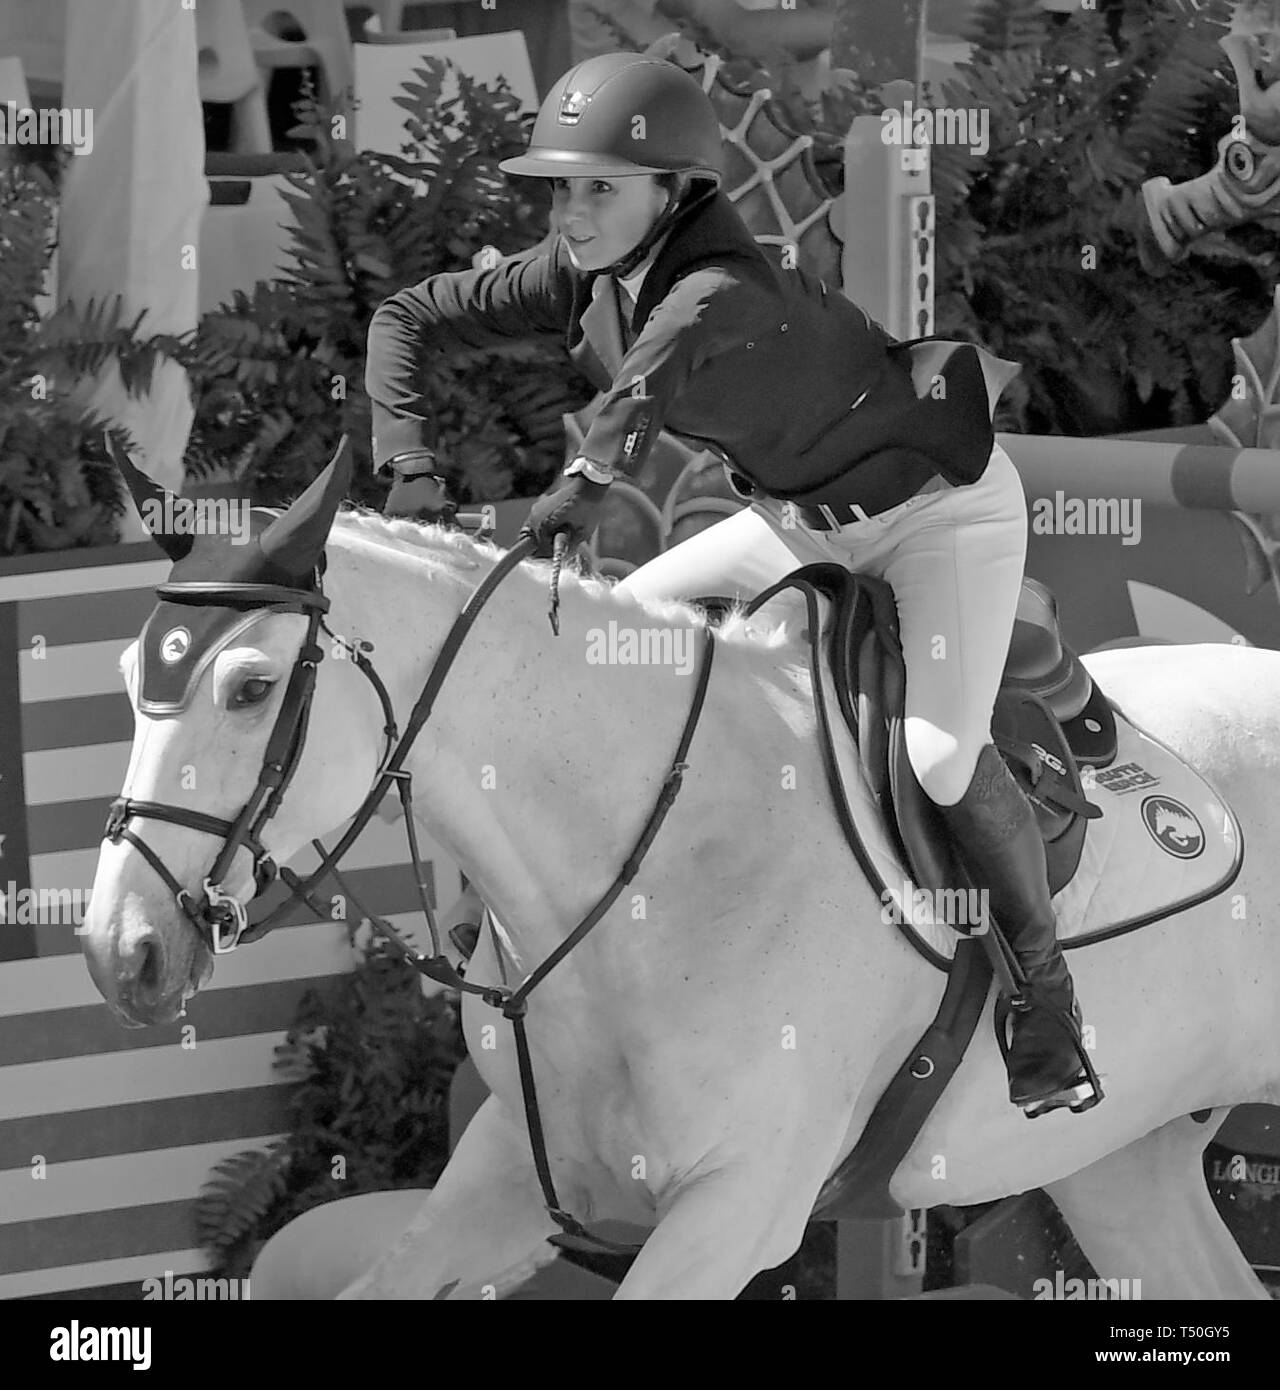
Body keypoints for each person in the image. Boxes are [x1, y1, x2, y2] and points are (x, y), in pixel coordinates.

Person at [364, 52, 1101, 1118]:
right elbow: (404, 314)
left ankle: (1045, 1002)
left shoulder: (722, 288)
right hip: (793, 524)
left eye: (598, 190)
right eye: (559, 188)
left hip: (939, 514)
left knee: (937, 756)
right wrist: (409, 466)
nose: (569, 213)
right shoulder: (582, 273)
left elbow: (639, 390)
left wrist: (581, 481)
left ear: (675, 190)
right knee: (603, 648)